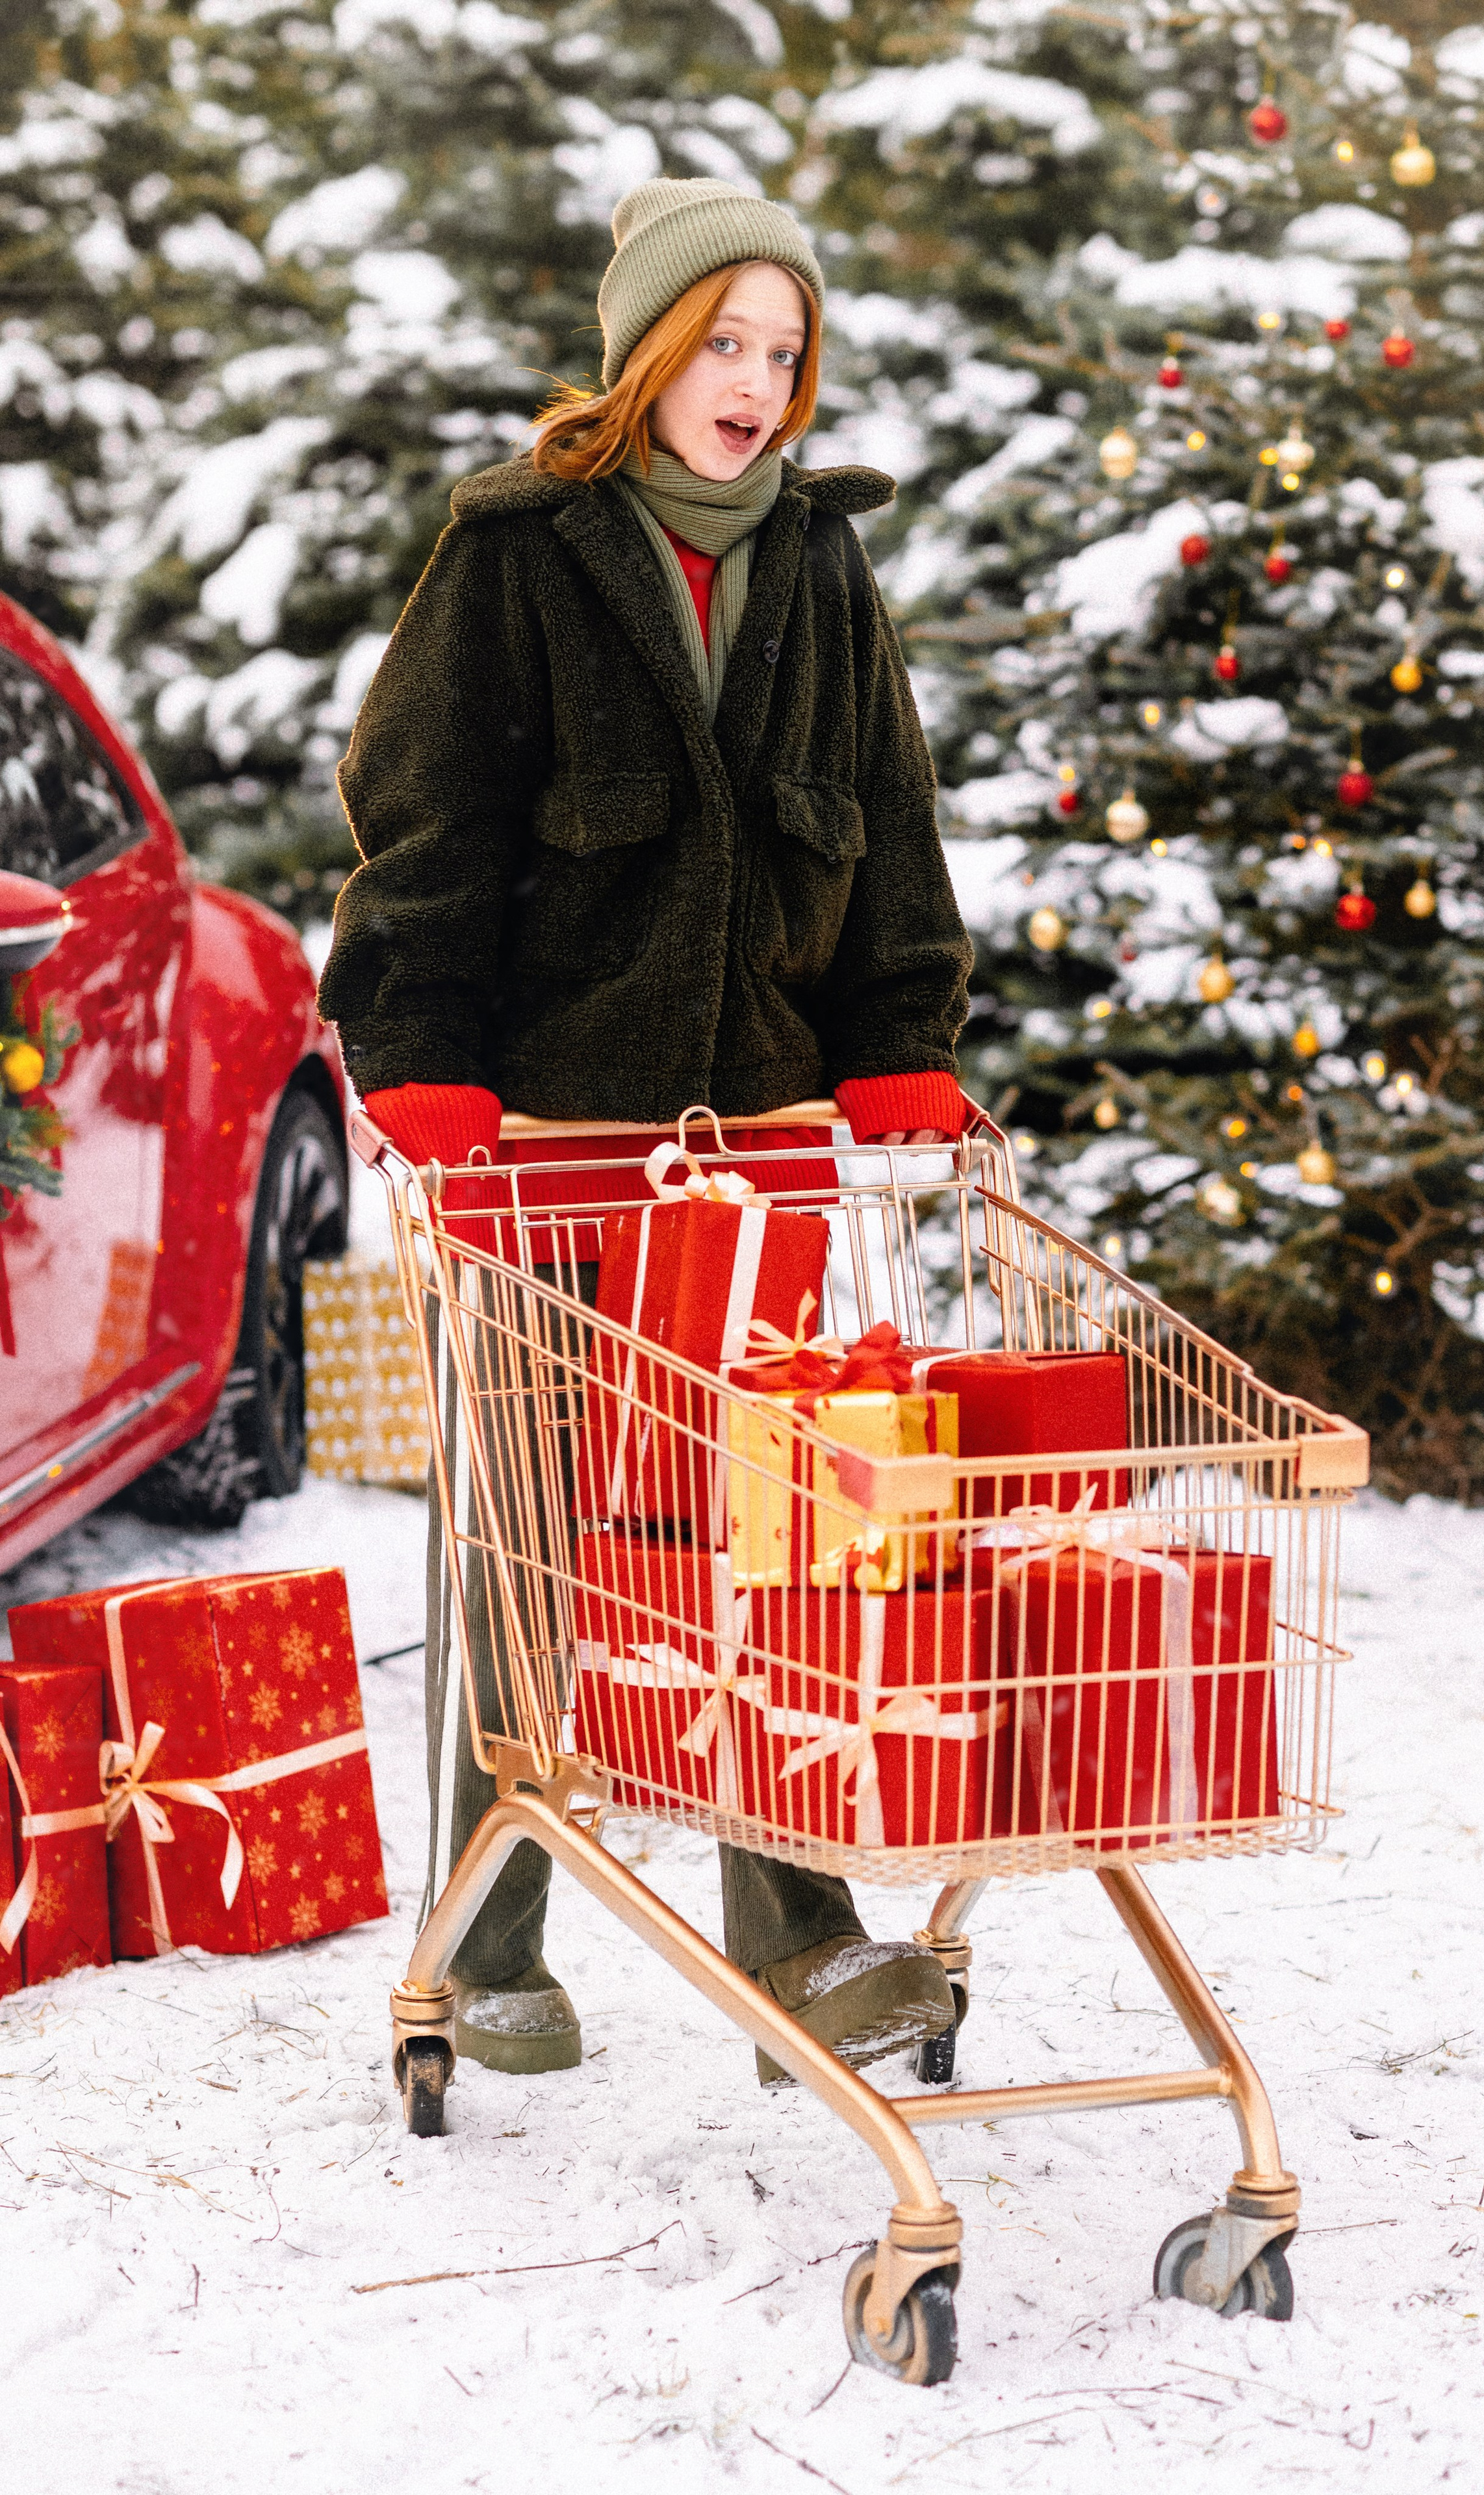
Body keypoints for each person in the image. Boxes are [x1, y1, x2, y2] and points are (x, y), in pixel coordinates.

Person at [319, 178, 975, 2085]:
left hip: (754, 1131)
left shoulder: (824, 573)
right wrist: (418, 1050)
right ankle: (490, 1932)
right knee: (531, 1526)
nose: (757, 383)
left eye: (787, 351)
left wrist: (900, 1041)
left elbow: (891, 830)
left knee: (756, 1522)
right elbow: (420, 821)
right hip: (544, 1135)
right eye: (726, 343)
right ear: (651, 354)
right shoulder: (522, 557)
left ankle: (801, 1940)